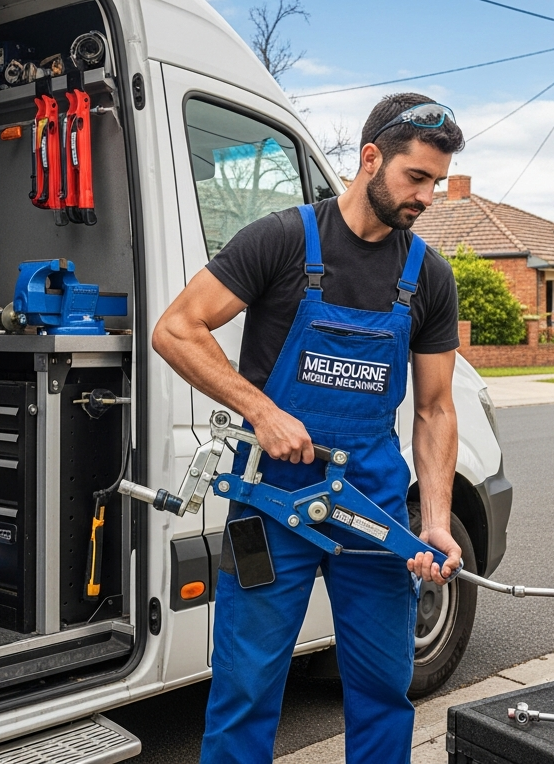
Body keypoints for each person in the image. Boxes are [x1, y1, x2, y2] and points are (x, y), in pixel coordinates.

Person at [153, 92, 466, 763]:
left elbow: (437, 408)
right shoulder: (283, 239)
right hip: (271, 500)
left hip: (373, 504)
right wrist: (261, 410)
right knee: (246, 689)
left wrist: (435, 517)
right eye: (416, 177)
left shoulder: (429, 277)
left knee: (384, 689)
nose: (427, 197)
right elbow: (177, 329)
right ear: (370, 158)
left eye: (436, 183)